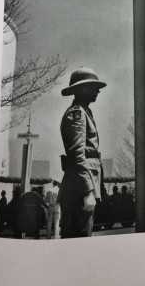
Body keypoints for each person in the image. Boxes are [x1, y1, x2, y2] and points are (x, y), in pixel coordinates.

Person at [59, 67, 106, 238]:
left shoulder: (85, 112)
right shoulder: (77, 113)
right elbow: (77, 156)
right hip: (79, 191)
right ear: (82, 89)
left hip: (81, 189)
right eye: (93, 87)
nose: (98, 91)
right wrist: (88, 191)